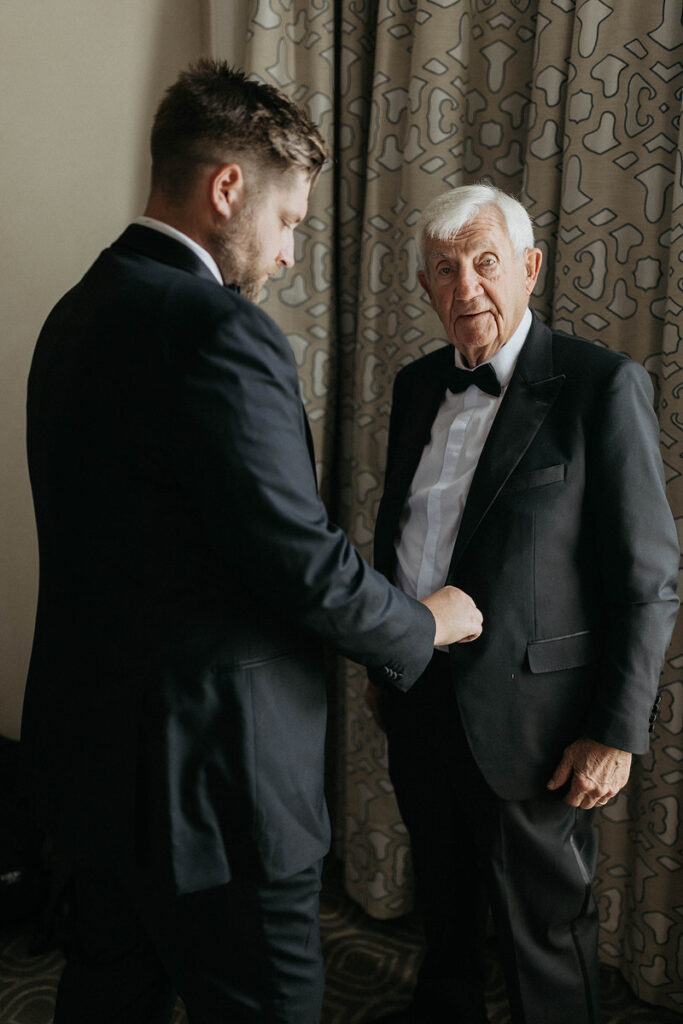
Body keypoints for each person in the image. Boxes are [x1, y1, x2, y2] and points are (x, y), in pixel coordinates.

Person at [22, 62, 483, 1024]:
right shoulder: (215, 328)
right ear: (226, 187)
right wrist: (421, 624)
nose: (283, 257)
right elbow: (299, 560)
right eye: (289, 226)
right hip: (220, 795)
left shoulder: (73, 315)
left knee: (109, 1000)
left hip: (94, 772)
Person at [366, 184, 679, 1024]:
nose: (465, 287)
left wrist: (615, 730)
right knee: (446, 910)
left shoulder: (598, 385)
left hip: (535, 720)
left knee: (544, 930)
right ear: (426, 288)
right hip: (415, 691)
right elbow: (400, 529)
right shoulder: (411, 387)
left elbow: (648, 574)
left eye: (484, 263)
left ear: (529, 269)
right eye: (443, 270)